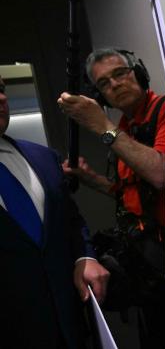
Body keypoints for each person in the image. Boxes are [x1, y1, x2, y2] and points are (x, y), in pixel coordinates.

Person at [58, 48, 165, 348]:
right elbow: (133, 192)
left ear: (139, 73)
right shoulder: (124, 129)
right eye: (105, 83)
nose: (115, 85)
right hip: (151, 266)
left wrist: (102, 127)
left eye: (120, 73)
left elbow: (161, 173)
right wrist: (92, 180)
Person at [0, 74, 110, 348]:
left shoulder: (45, 158)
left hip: (70, 327)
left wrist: (84, 256)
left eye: (1, 90)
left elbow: (71, 221)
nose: (2, 98)